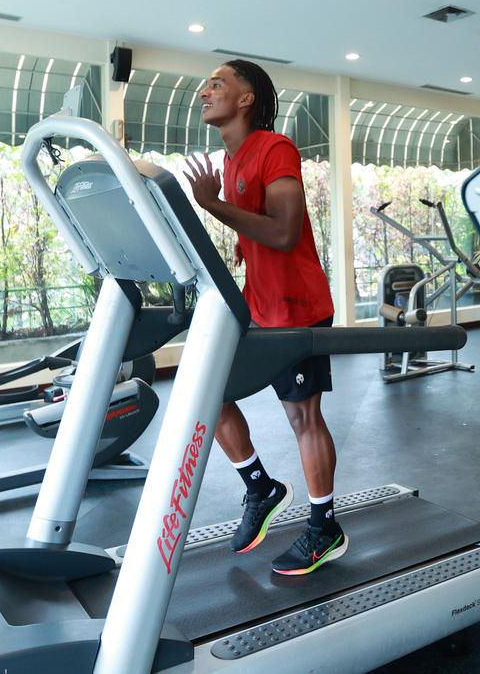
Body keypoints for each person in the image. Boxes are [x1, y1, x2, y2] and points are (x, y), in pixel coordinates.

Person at [182, 59, 345, 576]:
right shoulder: (230, 162)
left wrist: (214, 207)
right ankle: (261, 486)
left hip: (298, 309)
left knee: (302, 417)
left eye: (218, 84)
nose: (205, 91)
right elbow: (257, 235)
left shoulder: (276, 148)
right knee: (212, 391)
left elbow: (283, 232)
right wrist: (238, 245)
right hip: (258, 307)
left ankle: (325, 526)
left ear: (247, 98)